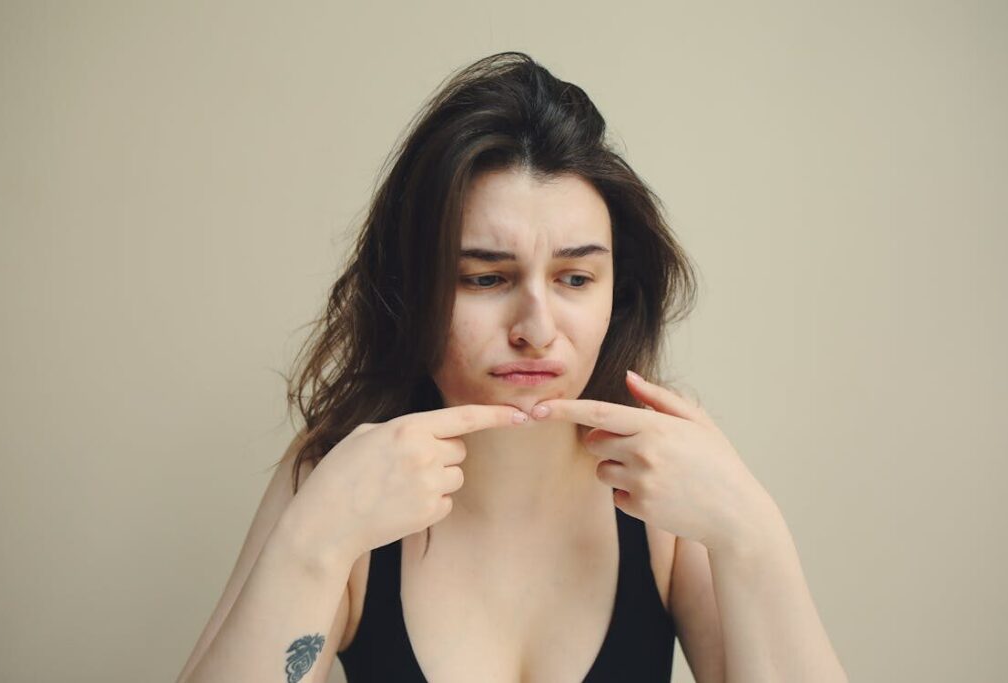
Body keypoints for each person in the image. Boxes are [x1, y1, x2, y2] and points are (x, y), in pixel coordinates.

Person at [176, 51, 848, 683]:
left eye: (576, 277)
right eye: (486, 278)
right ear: (414, 287)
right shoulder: (336, 473)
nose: (537, 329)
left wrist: (751, 531)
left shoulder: (665, 481)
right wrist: (313, 541)